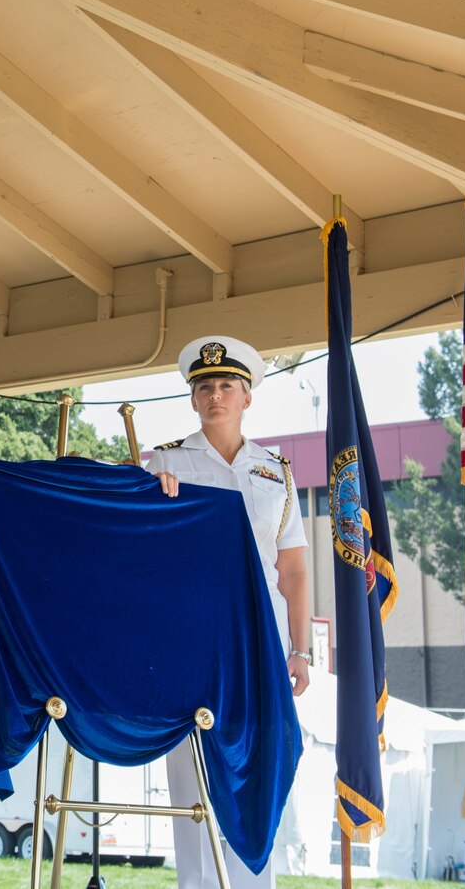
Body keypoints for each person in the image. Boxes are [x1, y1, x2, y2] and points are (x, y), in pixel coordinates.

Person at [146, 336, 312, 889]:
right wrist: (144, 494)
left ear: (246, 397)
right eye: (204, 387)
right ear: (193, 400)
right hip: (190, 637)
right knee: (191, 779)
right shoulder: (162, 462)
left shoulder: (275, 471)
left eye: (226, 386)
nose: (215, 395)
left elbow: (292, 571)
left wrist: (301, 648)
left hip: (259, 641)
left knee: (258, 769)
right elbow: (136, 549)